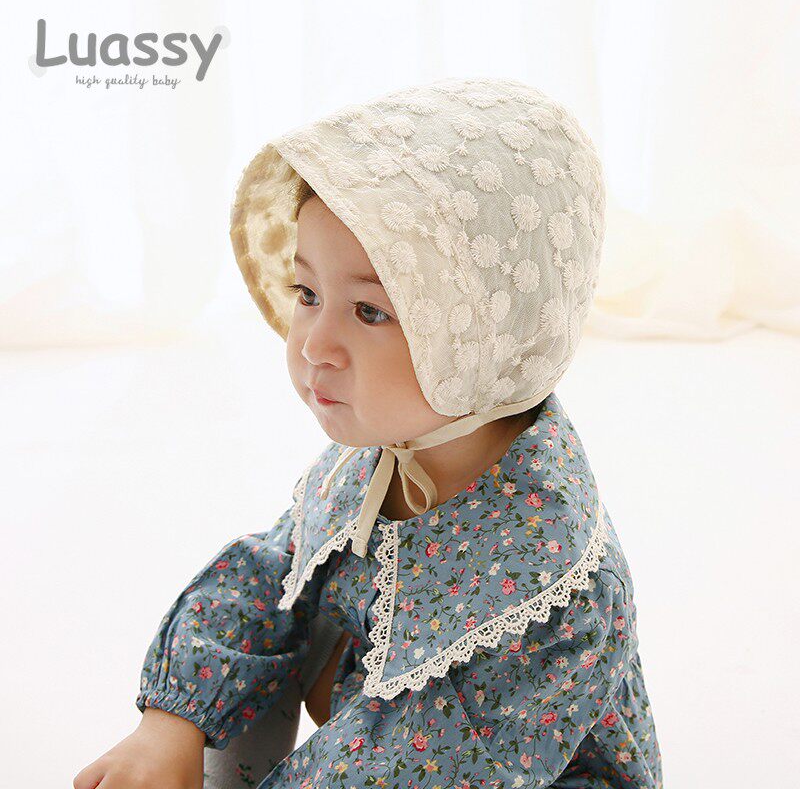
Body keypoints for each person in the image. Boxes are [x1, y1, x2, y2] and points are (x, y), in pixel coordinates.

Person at [74, 76, 663, 788]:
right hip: (377, 735)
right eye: (307, 293)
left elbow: (410, 767)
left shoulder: (548, 589)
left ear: (485, 337)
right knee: (288, 620)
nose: (314, 344)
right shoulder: (393, 446)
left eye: (371, 312)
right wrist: (172, 722)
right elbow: (274, 575)